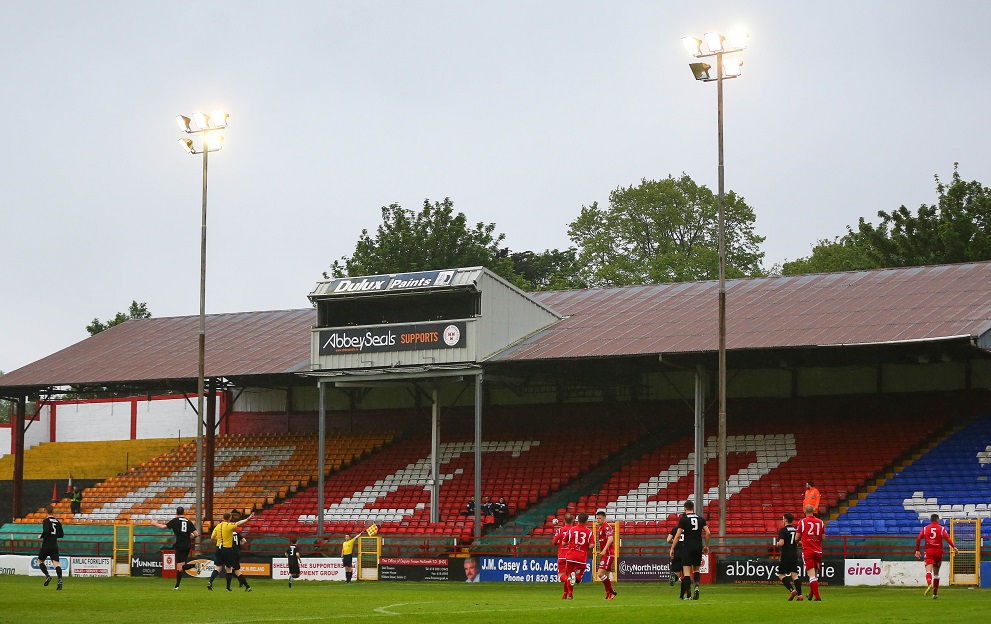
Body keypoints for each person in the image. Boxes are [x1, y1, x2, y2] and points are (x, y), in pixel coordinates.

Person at [669, 500, 709, 601]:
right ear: (693, 508)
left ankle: (689, 595)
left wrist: (672, 548)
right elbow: (708, 532)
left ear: (685, 508)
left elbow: (677, 535)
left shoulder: (684, 519)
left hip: (687, 546)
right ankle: (697, 586)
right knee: (696, 569)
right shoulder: (700, 519)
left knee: (686, 572)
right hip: (698, 546)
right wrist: (706, 546)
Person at [152, 506, 199, 589]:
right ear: (184, 512)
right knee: (181, 566)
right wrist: (191, 535)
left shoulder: (175, 521)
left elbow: (163, 527)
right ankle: (177, 586)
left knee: (179, 567)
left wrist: (155, 524)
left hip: (180, 545)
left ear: (176, 513)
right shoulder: (188, 521)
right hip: (187, 545)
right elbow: (196, 534)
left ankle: (195, 565)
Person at [915, 513, 959, 599]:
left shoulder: (925, 528)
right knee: (936, 574)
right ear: (937, 520)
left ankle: (929, 584)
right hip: (939, 552)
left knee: (928, 571)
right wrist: (954, 547)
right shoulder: (941, 528)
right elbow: (947, 538)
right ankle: (935, 594)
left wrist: (917, 550)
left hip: (929, 551)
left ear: (931, 520)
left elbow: (919, 538)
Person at [207, 511, 253, 591]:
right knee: (229, 568)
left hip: (218, 548)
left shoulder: (218, 526)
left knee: (218, 567)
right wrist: (248, 519)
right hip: (227, 549)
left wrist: (220, 539)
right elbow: (239, 523)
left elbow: (212, 537)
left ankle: (210, 582)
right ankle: (228, 588)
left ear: (223, 518)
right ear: (230, 518)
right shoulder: (229, 525)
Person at [797, 504, 825, 601]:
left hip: (808, 550)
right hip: (818, 550)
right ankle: (810, 595)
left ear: (805, 511)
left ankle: (818, 597)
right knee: (815, 575)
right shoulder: (820, 522)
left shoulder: (802, 522)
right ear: (813, 511)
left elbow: (797, 537)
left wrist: (799, 542)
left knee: (811, 575)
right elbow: (823, 538)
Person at [776, 512, 803, 601]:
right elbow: (799, 542)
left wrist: (777, 544)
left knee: (781, 575)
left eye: (783, 519)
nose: (782, 520)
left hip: (786, 555)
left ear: (786, 520)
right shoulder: (795, 530)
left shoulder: (783, 530)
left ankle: (792, 590)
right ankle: (800, 595)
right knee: (795, 575)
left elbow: (781, 543)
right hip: (794, 555)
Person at [566, 513, 594, 596]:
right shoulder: (589, 532)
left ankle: (570, 594)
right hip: (581, 556)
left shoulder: (571, 530)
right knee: (578, 577)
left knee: (570, 575)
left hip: (571, 555)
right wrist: (585, 547)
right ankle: (577, 578)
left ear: (577, 520)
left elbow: (564, 542)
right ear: (586, 521)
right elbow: (592, 545)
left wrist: (570, 544)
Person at [37, 505, 64, 590]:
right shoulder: (57, 522)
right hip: (54, 545)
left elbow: (46, 531)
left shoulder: (46, 521)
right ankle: (60, 580)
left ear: (46, 511)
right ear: (53, 511)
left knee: (40, 561)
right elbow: (61, 535)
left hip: (46, 545)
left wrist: (41, 536)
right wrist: (54, 536)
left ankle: (47, 575)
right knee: (56, 564)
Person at [595, 510, 617, 600]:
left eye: (600, 518)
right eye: (597, 518)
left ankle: (612, 591)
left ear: (604, 518)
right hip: (605, 554)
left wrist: (604, 550)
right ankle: (609, 594)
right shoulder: (600, 528)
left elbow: (611, 538)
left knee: (600, 574)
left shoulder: (606, 527)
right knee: (606, 576)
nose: (598, 520)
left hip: (608, 554)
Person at [552, 513, 574, 599]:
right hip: (572, 555)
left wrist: (559, 544)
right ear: (572, 521)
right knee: (570, 575)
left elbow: (554, 542)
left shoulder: (560, 530)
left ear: (564, 521)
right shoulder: (574, 530)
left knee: (562, 575)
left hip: (562, 555)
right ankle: (568, 594)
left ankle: (566, 592)